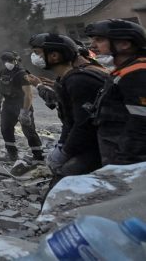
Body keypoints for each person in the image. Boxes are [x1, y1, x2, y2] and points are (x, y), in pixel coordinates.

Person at [26, 33, 106, 181]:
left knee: (63, 182)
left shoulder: (78, 80)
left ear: (55, 56)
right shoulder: (68, 78)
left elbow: (83, 125)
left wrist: (65, 152)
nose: (34, 57)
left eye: (37, 53)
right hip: (96, 144)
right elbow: (69, 119)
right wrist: (62, 145)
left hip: (102, 148)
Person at [84, 19, 146, 166]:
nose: (92, 46)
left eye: (99, 40)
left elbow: (141, 121)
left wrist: (126, 160)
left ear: (125, 44)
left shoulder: (136, 73)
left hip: (131, 159)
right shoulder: (123, 71)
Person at [0, 51, 44, 161]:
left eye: (10, 61)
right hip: (8, 104)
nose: (8, 63)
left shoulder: (22, 74)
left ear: (16, 61)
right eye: (6, 61)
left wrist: (25, 112)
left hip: (21, 104)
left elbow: (28, 94)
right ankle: (12, 154)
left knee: (28, 130)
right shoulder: (3, 72)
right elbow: (2, 88)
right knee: (5, 128)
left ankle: (38, 155)